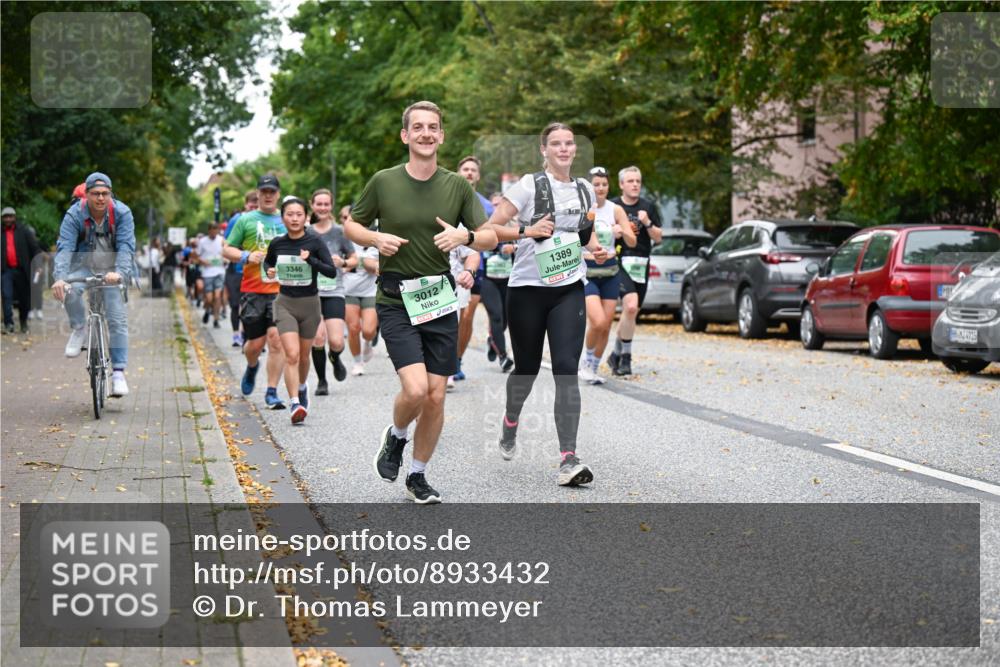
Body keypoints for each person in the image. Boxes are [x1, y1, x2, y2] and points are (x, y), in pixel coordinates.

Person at [344, 100, 497, 504]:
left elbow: (490, 237)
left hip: (439, 299)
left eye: (433, 127)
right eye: (418, 127)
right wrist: (375, 238)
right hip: (396, 299)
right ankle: (396, 437)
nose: (426, 133)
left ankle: (418, 474)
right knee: (415, 390)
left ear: (441, 135)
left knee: (436, 395)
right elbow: (352, 225)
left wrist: (465, 237)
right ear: (405, 135)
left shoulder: (457, 186)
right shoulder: (384, 181)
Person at [485, 122, 603, 487]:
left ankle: (569, 457)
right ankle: (510, 420)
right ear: (544, 149)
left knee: (566, 369)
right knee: (527, 369)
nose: (564, 149)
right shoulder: (527, 186)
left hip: (569, 287)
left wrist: (595, 248)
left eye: (569, 143)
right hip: (527, 289)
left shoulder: (585, 189)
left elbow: (586, 232)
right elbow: (490, 228)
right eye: (556, 144)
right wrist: (527, 231)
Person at [51, 172, 136, 397]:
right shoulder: (74, 214)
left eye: (105, 193)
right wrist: (60, 277)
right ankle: (79, 327)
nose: (100, 198)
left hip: (112, 269)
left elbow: (126, 247)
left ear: (110, 194)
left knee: (116, 319)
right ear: (86, 195)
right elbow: (65, 247)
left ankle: (118, 373)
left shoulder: (122, 213)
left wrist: (120, 273)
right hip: (83, 266)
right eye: (96, 193)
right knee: (70, 289)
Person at [263, 197, 339, 424]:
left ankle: (303, 386)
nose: (294, 219)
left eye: (299, 214)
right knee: (292, 355)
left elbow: (331, 271)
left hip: (310, 305)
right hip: (285, 303)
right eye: (290, 214)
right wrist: (269, 270)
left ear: (306, 217)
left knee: (304, 356)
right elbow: (268, 262)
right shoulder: (277, 243)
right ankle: (295, 402)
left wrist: (311, 260)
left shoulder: (314, 242)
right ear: (283, 218)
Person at [222, 174, 287, 410]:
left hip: (281, 291)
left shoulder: (287, 218)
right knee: (254, 345)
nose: (268, 196)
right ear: (257, 194)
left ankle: (271, 392)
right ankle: (252, 366)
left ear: (278, 194)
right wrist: (246, 256)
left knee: (276, 340)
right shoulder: (245, 220)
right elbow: (227, 249)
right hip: (253, 290)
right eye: (264, 191)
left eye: (272, 192)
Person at [579, 167, 636, 384]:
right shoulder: (583, 209)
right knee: (598, 321)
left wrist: (622, 231)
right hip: (588, 271)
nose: (600, 188)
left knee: (607, 325)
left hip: (611, 272)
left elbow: (632, 241)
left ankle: (593, 367)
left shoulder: (616, 209)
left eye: (604, 184)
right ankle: (586, 360)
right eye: (596, 184)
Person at [609, 165, 663, 376]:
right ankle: (626, 357)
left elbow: (658, 237)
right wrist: (613, 231)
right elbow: (597, 233)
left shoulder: (648, 207)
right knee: (630, 307)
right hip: (619, 261)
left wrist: (647, 222)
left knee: (632, 312)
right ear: (621, 184)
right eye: (630, 181)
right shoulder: (613, 206)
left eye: (638, 181)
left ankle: (615, 353)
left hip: (641, 263)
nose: (635, 185)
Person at [306, 188, 357, 395]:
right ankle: (322, 381)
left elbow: (354, 259)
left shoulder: (340, 231)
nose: (322, 207)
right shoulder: (306, 233)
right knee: (318, 338)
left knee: (336, 341)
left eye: (326, 204)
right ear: (312, 206)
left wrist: (342, 262)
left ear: (331, 206)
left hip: (334, 290)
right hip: (311, 293)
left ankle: (335, 358)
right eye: (319, 204)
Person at [454, 156, 494, 382]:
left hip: (476, 264)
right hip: (451, 264)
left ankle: (457, 359)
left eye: (473, 170)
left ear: (478, 176)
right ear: (459, 173)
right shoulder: (448, 198)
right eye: (465, 169)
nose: (469, 172)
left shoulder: (486, 206)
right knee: (452, 316)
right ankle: (445, 358)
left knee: (467, 315)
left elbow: (494, 236)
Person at [480, 192, 515, 372]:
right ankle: (503, 356)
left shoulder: (513, 227)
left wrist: (514, 247)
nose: (497, 208)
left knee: (505, 321)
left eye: (501, 205)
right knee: (496, 316)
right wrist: (501, 247)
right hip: (488, 280)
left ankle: (492, 339)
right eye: (494, 204)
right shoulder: (483, 226)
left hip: (508, 280)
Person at [225, 191, 259, 346]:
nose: (254, 208)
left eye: (256, 205)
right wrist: (244, 253)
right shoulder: (237, 219)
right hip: (237, 270)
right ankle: (236, 334)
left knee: (250, 306)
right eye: (251, 205)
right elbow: (226, 245)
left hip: (256, 272)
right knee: (235, 305)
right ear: (245, 205)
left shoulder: (264, 220)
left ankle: (249, 337)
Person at [2, 206, 42, 334]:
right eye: (5, 217)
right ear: (2, 218)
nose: (8, 219)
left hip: (22, 270)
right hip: (6, 270)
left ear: (14, 217)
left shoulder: (24, 231)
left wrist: (38, 265)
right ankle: (9, 324)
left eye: (10, 216)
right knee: (6, 296)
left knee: (24, 298)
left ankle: (23, 323)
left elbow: (35, 248)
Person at [446, 243, 480, 391]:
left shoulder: (457, 230)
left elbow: (473, 253)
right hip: (426, 284)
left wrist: (469, 271)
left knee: (454, 325)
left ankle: (451, 367)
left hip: (457, 282)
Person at [193, 222, 225, 328]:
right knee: (209, 299)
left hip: (220, 271)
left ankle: (216, 319)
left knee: (217, 296)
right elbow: (196, 256)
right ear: (209, 231)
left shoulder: (221, 240)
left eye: (216, 230)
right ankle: (207, 310)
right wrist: (203, 262)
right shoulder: (202, 241)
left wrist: (225, 259)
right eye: (212, 231)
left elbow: (227, 253)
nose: (214, 233)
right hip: (207, 273)